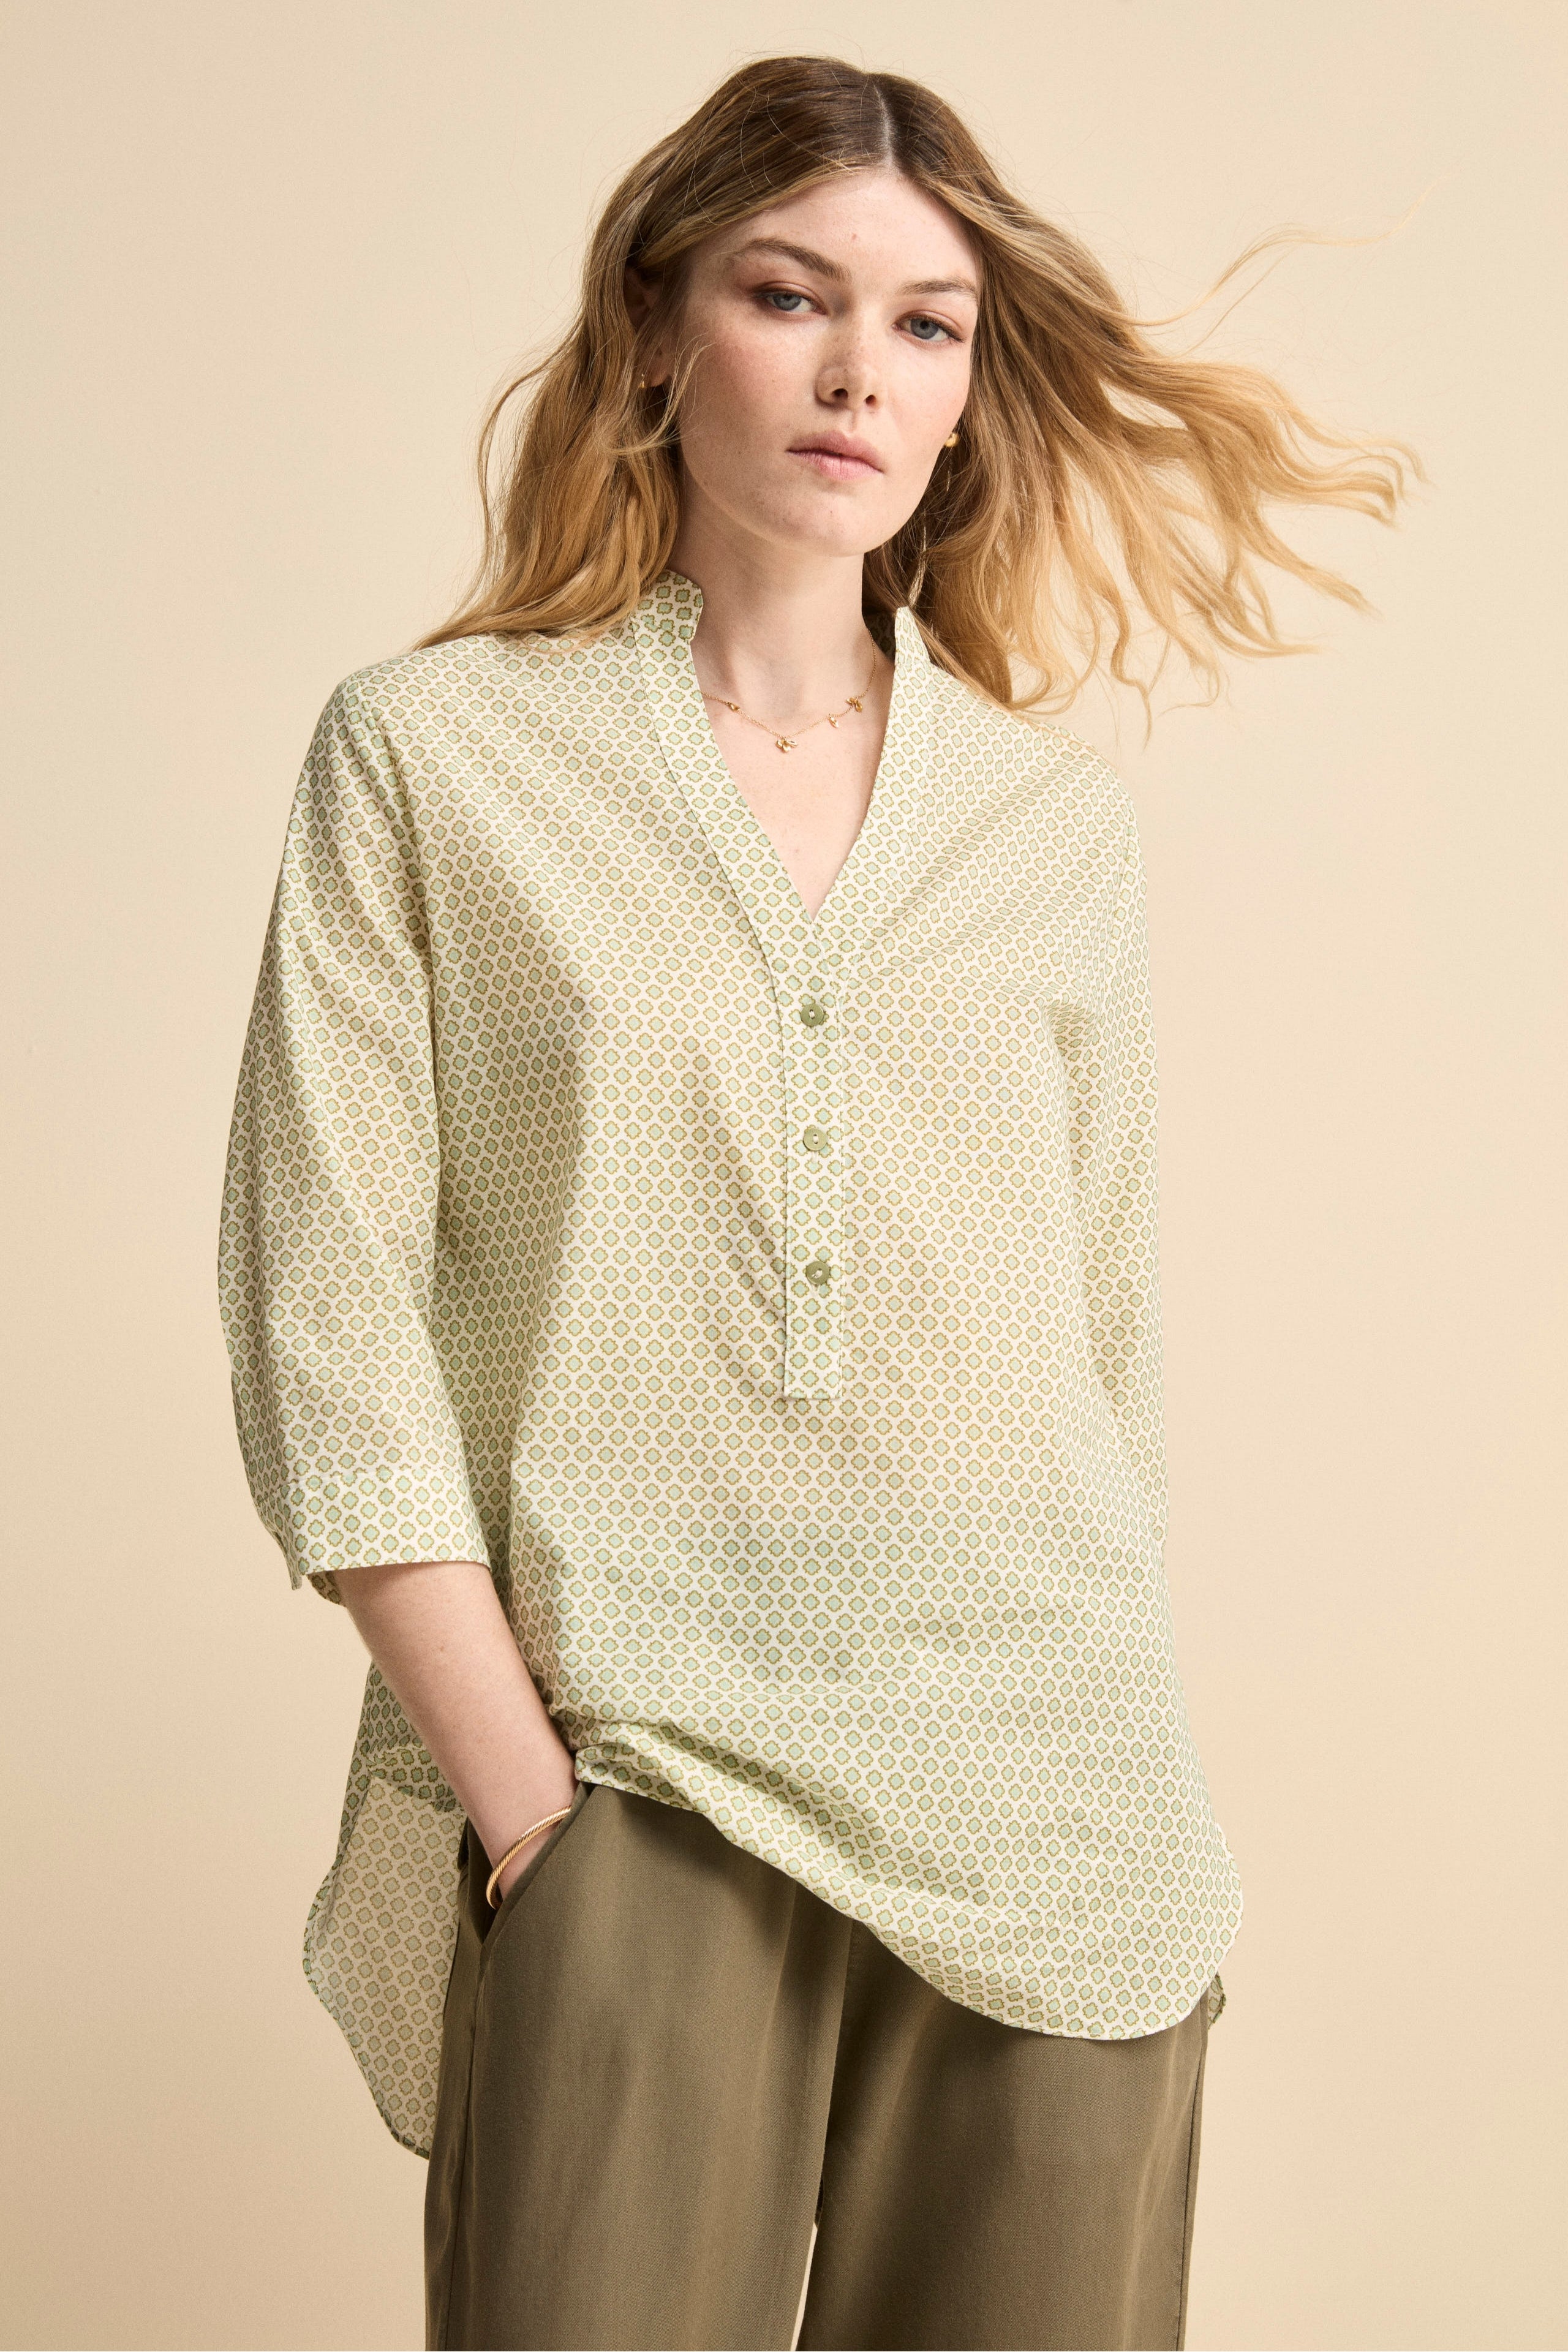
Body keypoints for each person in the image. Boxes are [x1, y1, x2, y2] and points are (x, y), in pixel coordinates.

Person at [218, 55, 1415, 2352]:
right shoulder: (435, 759)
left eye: (926, 323)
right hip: (640, 1774)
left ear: (966, 395)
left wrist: (1130, 1743)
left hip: (1057, 1805)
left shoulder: (1050, 831)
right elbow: (326, 1316)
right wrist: (531, 1812)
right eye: (790, 295)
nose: (862, 370)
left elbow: (1104, 1352)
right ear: (659, 327)